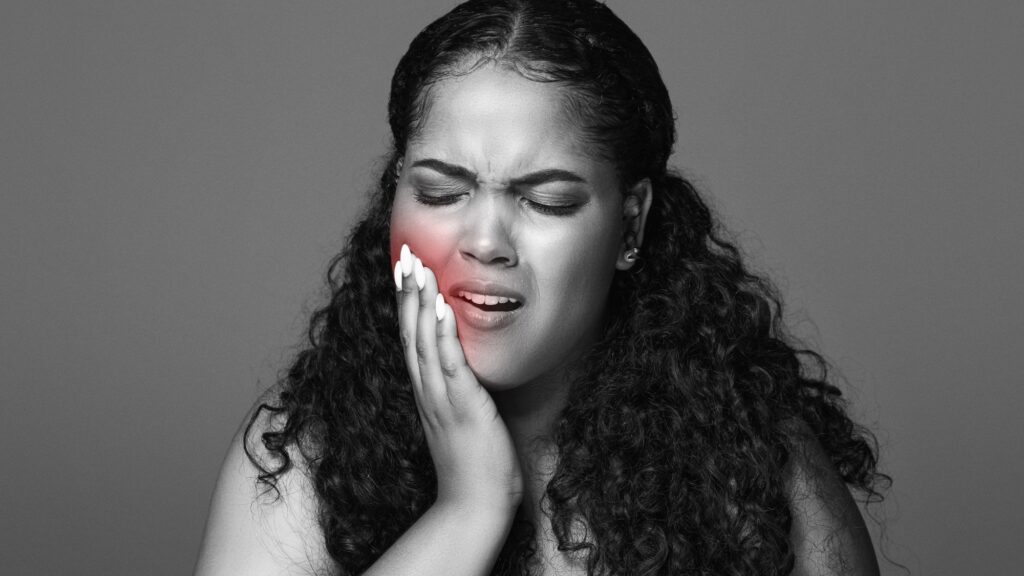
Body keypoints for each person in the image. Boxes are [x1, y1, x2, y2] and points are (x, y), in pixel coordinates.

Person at [195, 1, 886, 575]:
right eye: (439, 191)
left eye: (547, 201)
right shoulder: (303, 453)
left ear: (631, 224)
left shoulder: (758, 471)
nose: (486, 241)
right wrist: (467, 510)